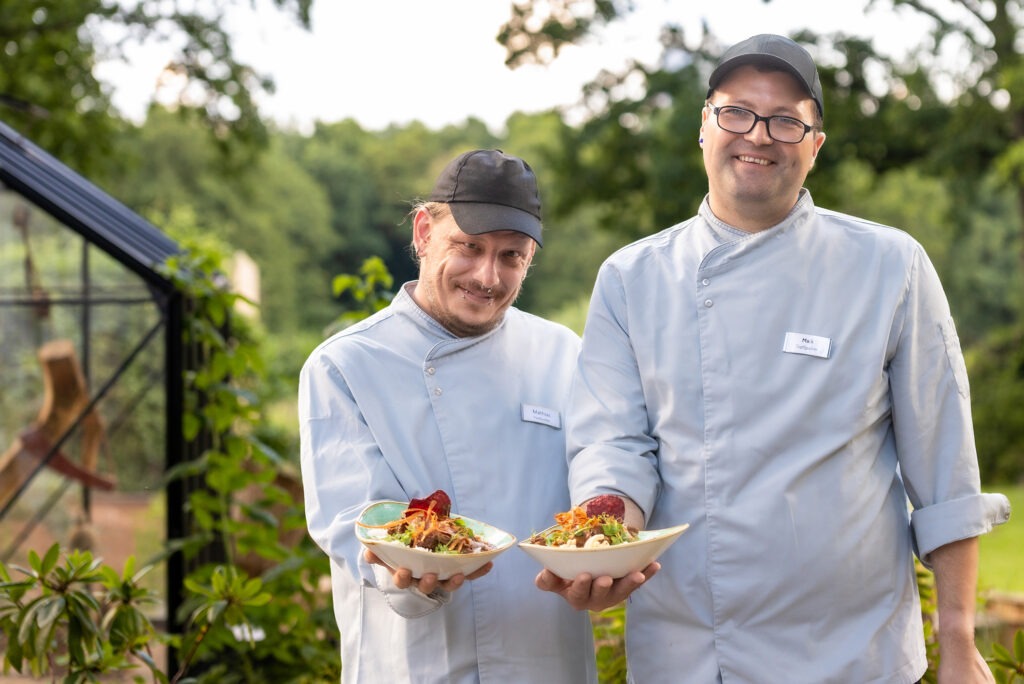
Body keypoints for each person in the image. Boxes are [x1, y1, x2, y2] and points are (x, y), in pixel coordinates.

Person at [539, 34, 1012, 683]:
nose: (758, 135)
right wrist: (603, 545)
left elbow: (945, 468)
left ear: (815, 145)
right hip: (693, 653)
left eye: (787, 120)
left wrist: (957, 640)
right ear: (704, 127)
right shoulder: (632, 278)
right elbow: (614, 446)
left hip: (851, 654)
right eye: (736, 112)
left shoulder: (888, 266)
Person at [298, 149, 597, 683]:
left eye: (512, 256)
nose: (487, 276)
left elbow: (597, 483)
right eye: (468, 247)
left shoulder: (561, 353)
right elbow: (352, 523)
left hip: (543, 657)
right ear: (422, 233)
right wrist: (413, 574)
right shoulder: (346, 364)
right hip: (414, 661)